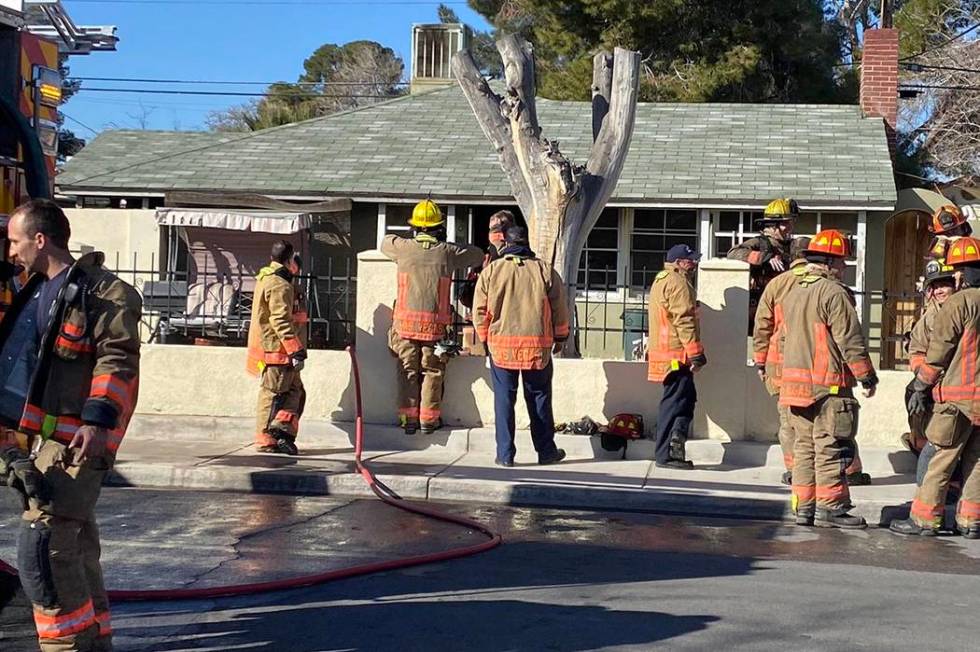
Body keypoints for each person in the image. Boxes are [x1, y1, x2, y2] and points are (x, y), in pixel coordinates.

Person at [0, 198, 141, 651]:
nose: (11, 252)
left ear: (40, 240)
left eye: (15, 241)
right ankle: (94, 640)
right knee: (75, 542)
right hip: (46, 444)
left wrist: (98, 422)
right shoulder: (36, 292)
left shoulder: (104, 294)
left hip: (82, 442)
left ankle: (66, 646)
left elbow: (116, 362)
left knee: (45, 546)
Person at [779, 230, 877, 528]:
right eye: (843, 261)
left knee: (805, 448)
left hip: (795, 386)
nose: (845, 267)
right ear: (830, 263)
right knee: (830, 446)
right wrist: (866, 376)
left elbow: (783, 339)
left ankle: (804, 508)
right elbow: (849, 339)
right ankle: (831, 507)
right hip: (828, 386)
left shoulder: (793, 291)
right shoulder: (833, 293)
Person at [891, 236, 980, 539]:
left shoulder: (959, 303)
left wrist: (920, 385)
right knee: (977, 460)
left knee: (940, 458)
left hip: (956, 398)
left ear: (959, 273)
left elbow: (938, 353)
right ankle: (970, 521)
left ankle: (925, 520)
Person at [382, 199, 483, 434]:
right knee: (432, 371)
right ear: (439, 227)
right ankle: (429, 420)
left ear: (415, 227)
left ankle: (409, 420)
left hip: (404, 326)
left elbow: (385, 242)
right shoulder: (448, 253)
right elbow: (476, 255)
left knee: (408, 371)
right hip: (434, 329)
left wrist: (408, 237)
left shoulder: (402, 248)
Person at [473, 225, 569, 467]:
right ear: (527, 243)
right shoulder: (544, 270)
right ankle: (546, 452)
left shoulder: (492, 271)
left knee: (504, 401)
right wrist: (560, 338)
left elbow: (479, 310)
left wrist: (485, 338)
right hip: (537, 348)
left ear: (506, 243)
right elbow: (559, 308)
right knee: (539, 400)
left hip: (501, 349)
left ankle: (505, 455)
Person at [752, 237, 810, 484]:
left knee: (787, 420)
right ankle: (819, 469)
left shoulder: (777, 284)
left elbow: (762, 325)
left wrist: (760, 361)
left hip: (780, 366)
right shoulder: (822, 283)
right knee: (817, 422)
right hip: (811, 363)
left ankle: (794, 468)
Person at [648, 244, 706, 470]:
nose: (694, 264)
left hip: (667, 353)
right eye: (690, 260)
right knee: (675, 404)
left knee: (684, 399)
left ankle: (671, 449)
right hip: (676, 354)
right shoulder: (678, 283)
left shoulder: (662, 279)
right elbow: (684, 320)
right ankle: (666, 454)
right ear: (679, 262)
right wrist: (696, 353)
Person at [246, 240, 307, 455]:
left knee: (295, 393)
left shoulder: (269, 278)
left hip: (279, 350)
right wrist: (294, 349)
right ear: (289, 260)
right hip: (278, 351)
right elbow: (280, 319)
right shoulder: (279, 284)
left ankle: (281, 432)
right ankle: (268, 437)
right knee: (274, 395)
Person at [904, 259, 958, 459]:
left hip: (961, 378)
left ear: (955, 285)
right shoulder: (930, 316)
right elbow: (917, 351)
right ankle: (920, 443)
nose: (939, 291)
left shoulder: (965, 307)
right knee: (912, 394)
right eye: (934, 286)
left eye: (944, 284)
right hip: (934, 377)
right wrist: (922, 377)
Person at [728, 198, 798, 327]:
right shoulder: (760, 243)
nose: (790, 227)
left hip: (784, 305)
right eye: (786, 223)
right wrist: (765, 258)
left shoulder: (790, 246)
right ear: (773, 225)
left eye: (791, 222)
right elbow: (733, 253)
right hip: (761, 309)